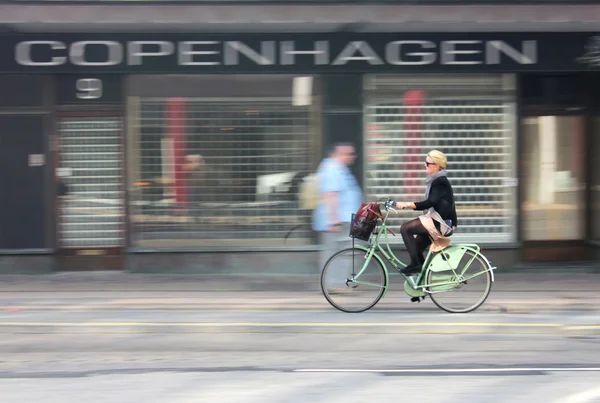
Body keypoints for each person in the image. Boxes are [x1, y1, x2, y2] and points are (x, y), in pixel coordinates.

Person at [394, 150, 458, 275]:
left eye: (428, 163)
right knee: (416, 250)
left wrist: (407, 204)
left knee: (405, 229)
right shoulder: (436, 180)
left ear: (437, 166)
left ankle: (416, 265)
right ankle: (420, 288)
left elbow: (430, 202)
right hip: (437, 220)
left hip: (440, 223)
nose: (425, 165)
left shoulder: (440, 181)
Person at [312, 142, 363, 271]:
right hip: (339, 221)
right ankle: (336, 285)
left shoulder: (339, 169)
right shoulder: (332, 169)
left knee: (343, 253)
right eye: (350, 154)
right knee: (339, 254)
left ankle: (337, 285)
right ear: (338, 154)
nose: (354, 156)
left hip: (344, 220)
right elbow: (330, 195)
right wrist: (333, 221)